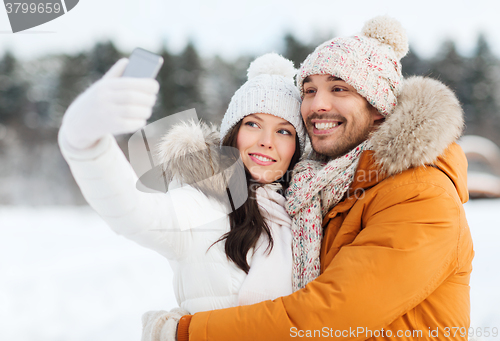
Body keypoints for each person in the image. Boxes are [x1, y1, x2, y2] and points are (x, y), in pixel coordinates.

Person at [173, 16, 474, 341]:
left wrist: (188, 332)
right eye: (309, 90)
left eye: (339, 88)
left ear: (377, 106)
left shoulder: (421, 194)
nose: (317, 105)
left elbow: (329, 315)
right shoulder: (324, 188)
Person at [57, 53, 307, 339]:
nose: (267, 141)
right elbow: (132, 210)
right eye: (253, 124)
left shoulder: (306, 217)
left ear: (297, 149)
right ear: (232, 132)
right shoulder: (201, 204)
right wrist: (84, 142)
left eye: (284, 131)